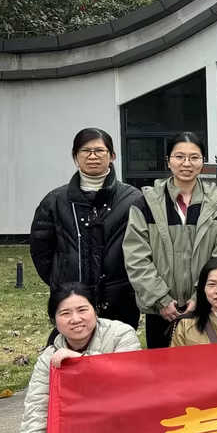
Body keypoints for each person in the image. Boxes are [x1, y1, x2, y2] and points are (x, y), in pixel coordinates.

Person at [17, 283, 142, 433]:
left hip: (125, 429)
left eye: (82, 310)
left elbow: (131, 381)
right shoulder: (49, 358)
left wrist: (82, 362)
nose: (75, 319)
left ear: (95, 310)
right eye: (65, 313)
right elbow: (37, 409)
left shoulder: (121, 334)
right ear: (54, 320)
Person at [122, 132, 217, 349]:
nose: (187, 163)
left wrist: (201, 297)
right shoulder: (146, 203)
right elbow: (136, 257)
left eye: (194, 157)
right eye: (179, 157)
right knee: (162, 366)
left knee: (207, 365)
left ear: (202, 162)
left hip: (207, 306)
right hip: (160, 312)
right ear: (168, 160)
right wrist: (161, 299)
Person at [30, 128, 142, 331]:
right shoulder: (55, 201)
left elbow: (143, 249)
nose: (92, 156)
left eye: (99, 151)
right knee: (74, 348)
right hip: (71, 299)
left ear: (112, 156)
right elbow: (41, 251)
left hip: (121, 298)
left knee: (119, 347)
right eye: (85, 151)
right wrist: (60, 280)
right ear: (75, 156)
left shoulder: (133, 199)